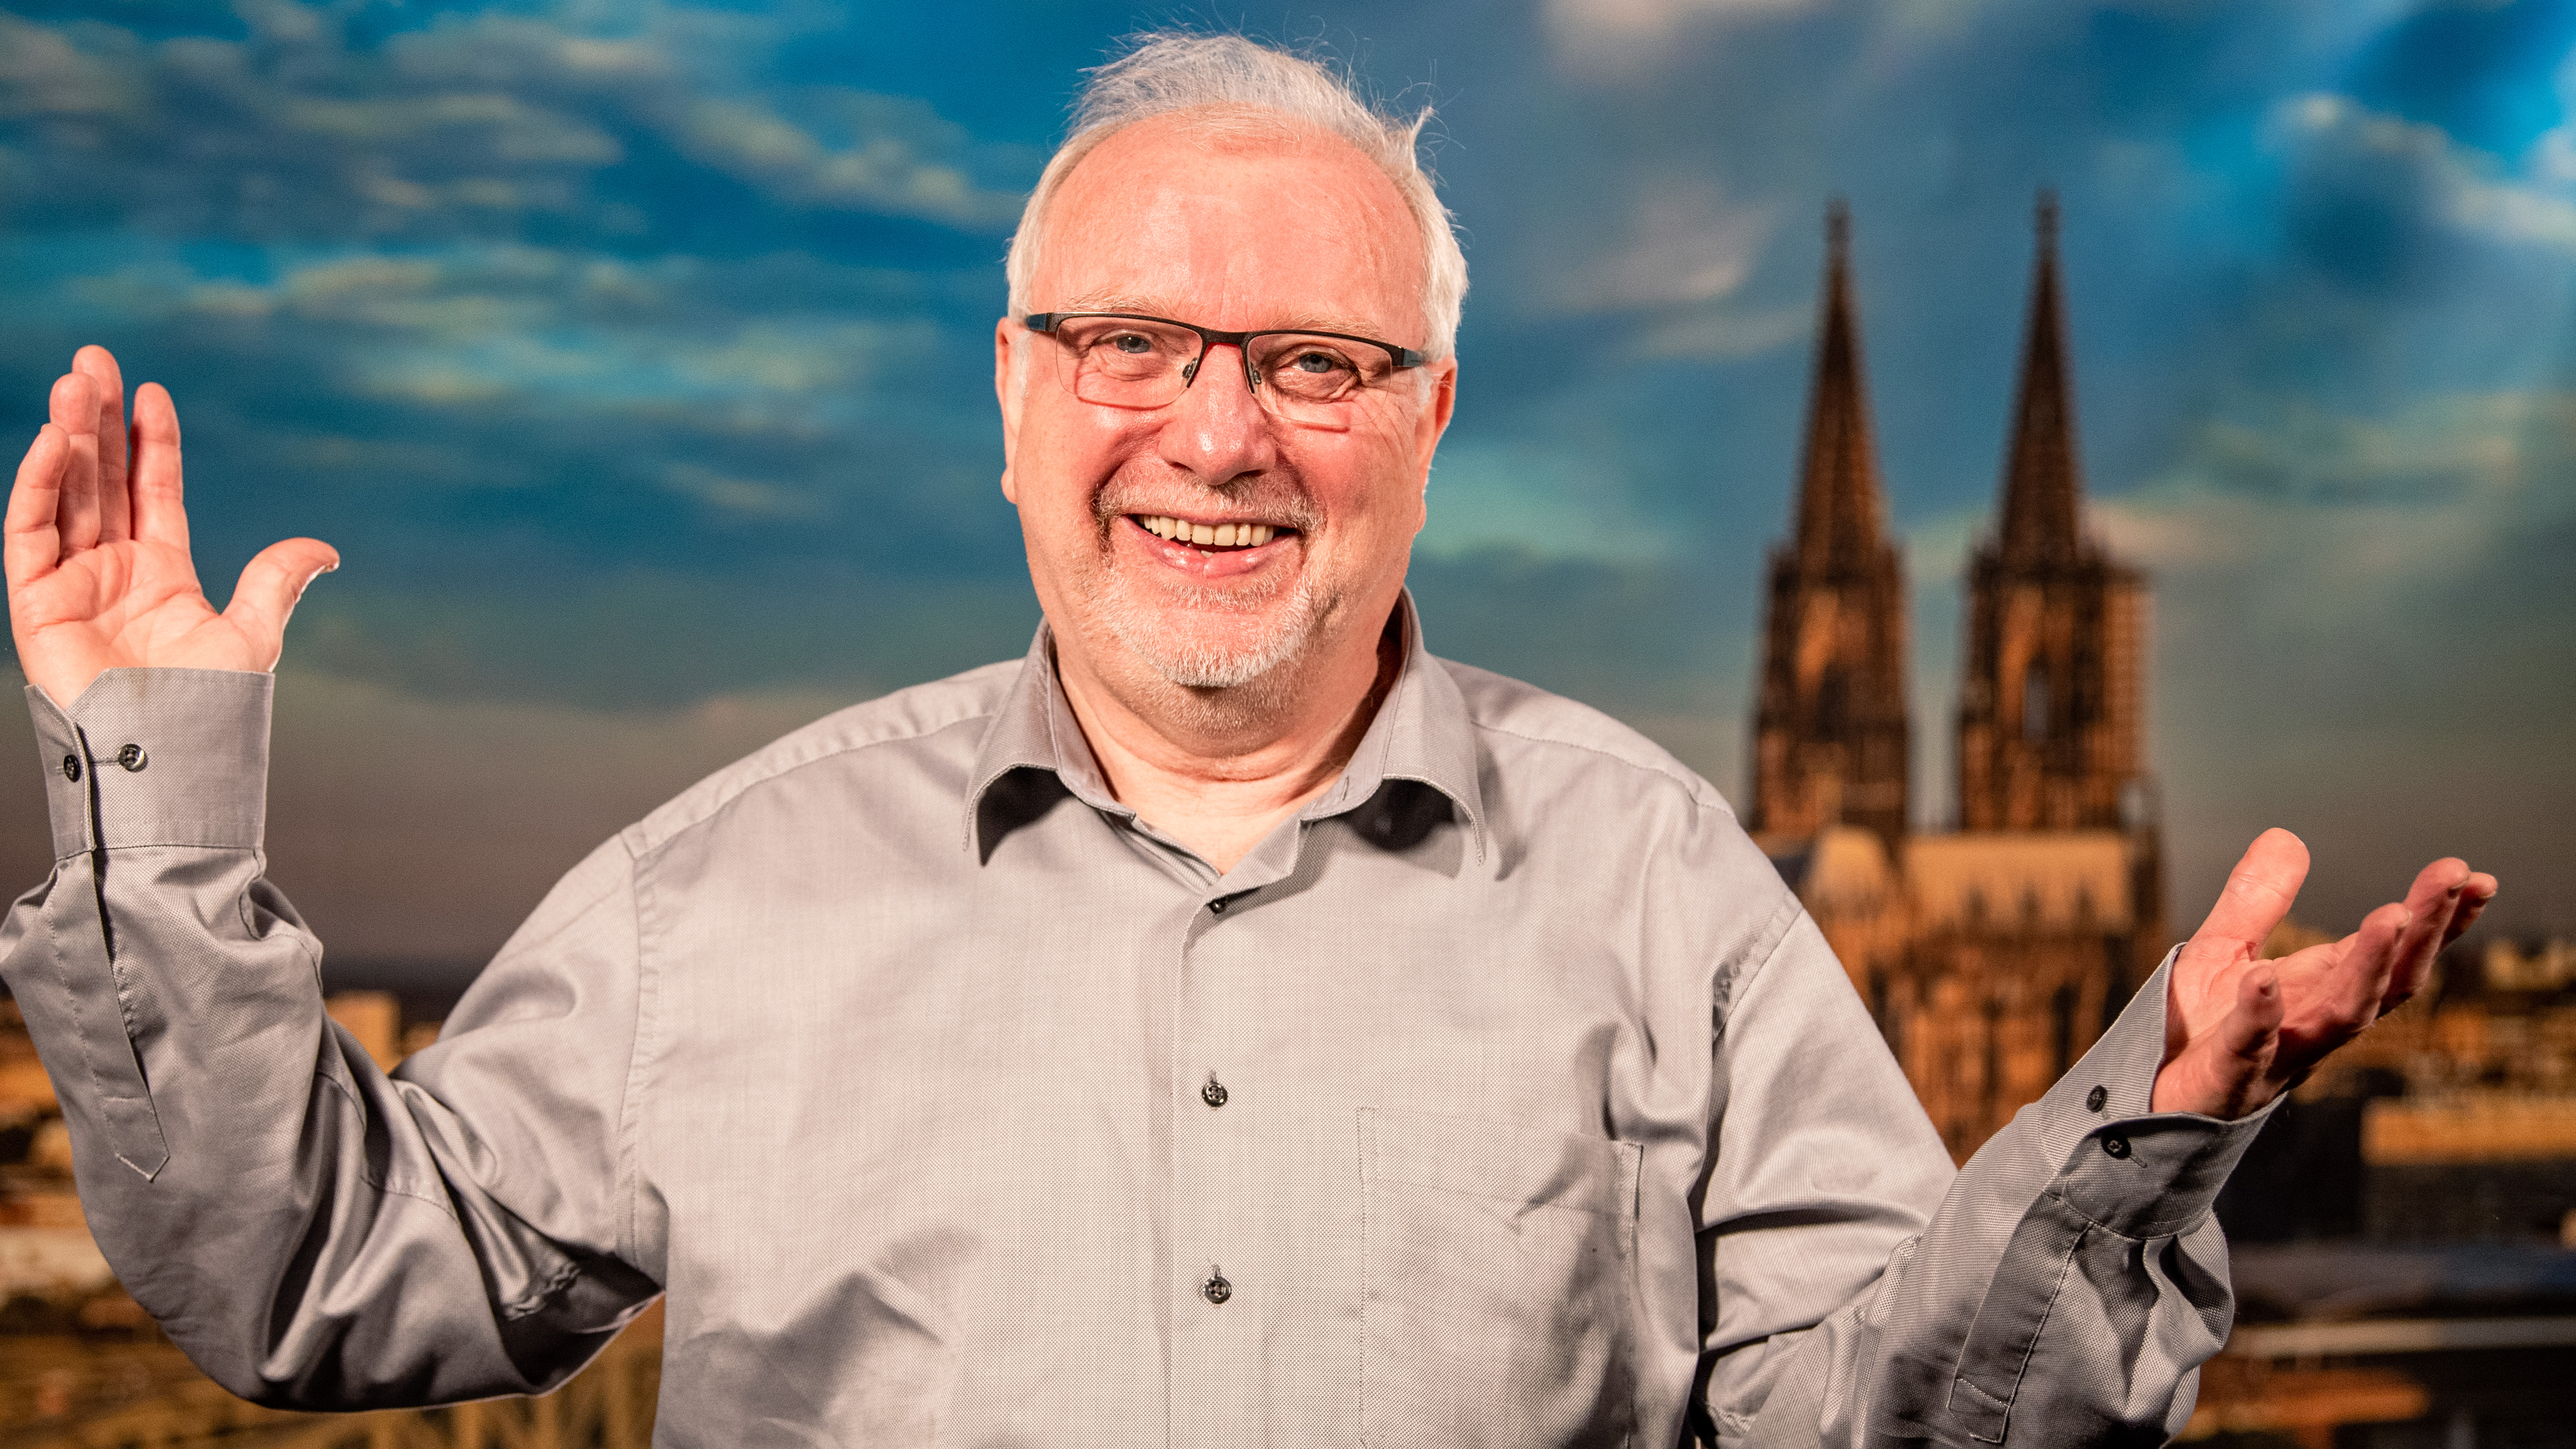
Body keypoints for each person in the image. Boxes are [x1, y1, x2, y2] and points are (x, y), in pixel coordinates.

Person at [1, 33, 2495, 1449]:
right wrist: (148, 792)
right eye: (1133, 347)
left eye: (1315, 361)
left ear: (1426, 421)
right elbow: (311, 1276)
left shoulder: (1660, 880)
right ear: (1013, 398)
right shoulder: (725, 890)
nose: (1217, 432)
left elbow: (1897, 1428)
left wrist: (2142, 1136)